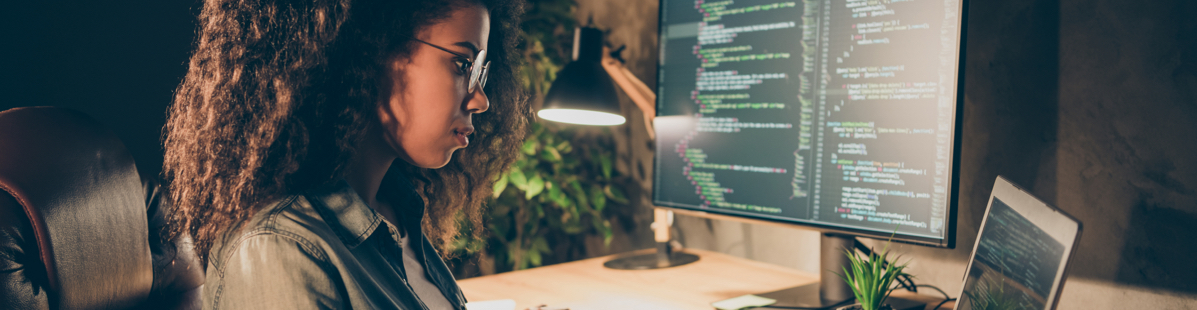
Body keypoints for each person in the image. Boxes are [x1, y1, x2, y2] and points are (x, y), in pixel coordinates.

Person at [161, 0, 529, 308]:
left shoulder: (397, 217)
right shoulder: (282, 250)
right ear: (370, 51)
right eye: (463, 64)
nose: (480, 99)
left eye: (480, 70)